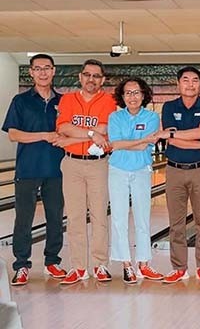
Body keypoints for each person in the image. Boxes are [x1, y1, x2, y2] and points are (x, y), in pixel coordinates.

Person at [2, 54, 66, 285]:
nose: (42, 72)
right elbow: (13, 134)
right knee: (24, 220)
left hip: (57, 169)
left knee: (55, 218)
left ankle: (52, 262)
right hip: (27, 168)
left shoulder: (64, 101)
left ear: (54, 71)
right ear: (30, 72)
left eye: (46, 68)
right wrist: (43, 135)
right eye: (37, 68)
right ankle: (21, 265)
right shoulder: (20, 101)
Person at [55, 59, 117, 285]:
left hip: (98, 164)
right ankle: (78, 267)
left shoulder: (109, 100)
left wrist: (76, 135)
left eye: (96, 76)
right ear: (80, 77)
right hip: (71, 164)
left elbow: (105, 129)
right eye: (87, 75)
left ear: (102, 79)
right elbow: (63, 128)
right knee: (75, 217)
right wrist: (91, 133)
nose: (91, 79)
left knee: (100, 215)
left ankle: (100, 265)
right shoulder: (68, 99)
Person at [157, 66, 200, 284]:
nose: (190, 84)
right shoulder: (169, 106)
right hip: (174, 170)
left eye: (195, 80)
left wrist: (173, 134)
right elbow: (171, 141)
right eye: (186, 80)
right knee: (176, 223)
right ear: (178, 84)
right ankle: (179, 268)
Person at [107, 77, 164, 284]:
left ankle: (144, 264)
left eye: (136, 92)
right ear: (122, 96)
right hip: (117, 170)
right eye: (128, 93)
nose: (132, 97)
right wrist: (143, 139)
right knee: (119, 219)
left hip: (141, 170)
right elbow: (115, 144)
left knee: (142, 218)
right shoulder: (115, 117)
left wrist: (130, 142)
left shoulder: (151, 117)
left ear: (143, 95)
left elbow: (140, 147)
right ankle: (126, 265)